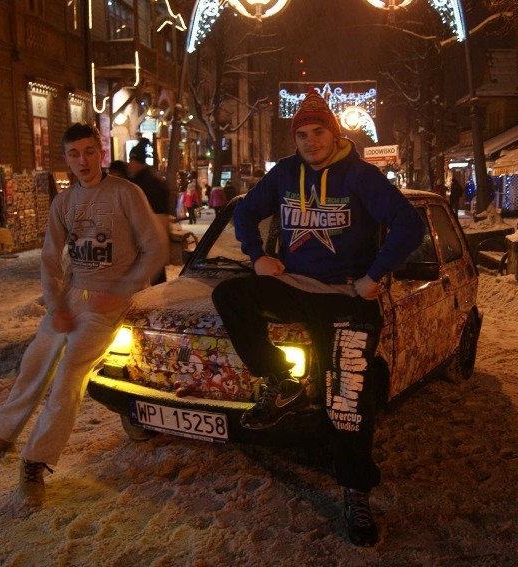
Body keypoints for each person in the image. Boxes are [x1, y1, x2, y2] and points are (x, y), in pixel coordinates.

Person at [211, 92, 424, 547]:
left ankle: (355, 491)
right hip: (293, 286)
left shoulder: (362, 177)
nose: (310, 142)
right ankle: (281, 380)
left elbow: (409, 224)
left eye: (318, 132)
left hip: (347, 296)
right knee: (230, 295)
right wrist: (256, 256)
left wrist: (374, 275)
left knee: (348, 397)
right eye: (302, 134)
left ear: (335, 132)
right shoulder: (286, 172)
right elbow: (245, 211)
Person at [0, 123, 169, 504]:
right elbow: (50, 259)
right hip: (70, 298)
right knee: (33, 363)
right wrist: (55, 305)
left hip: (108, 304)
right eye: (74, 154)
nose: (82, 161)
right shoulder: (63, 203)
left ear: (101, 152)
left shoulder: (125, 193)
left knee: (68, 377)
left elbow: (155, 249)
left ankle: (35, 462)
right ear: (66, 159)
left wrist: (119, 291)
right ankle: (0, 433)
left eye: (88, 151)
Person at [127, 139, 170, 285]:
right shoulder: (151, 180)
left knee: (150, 270)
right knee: (156, 272)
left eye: (131, 160)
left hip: (147, 229)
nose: (129, 164)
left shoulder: (141, 183)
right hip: (156, 228)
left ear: (136, 161)